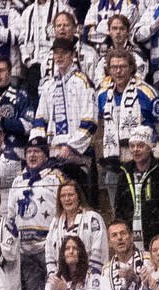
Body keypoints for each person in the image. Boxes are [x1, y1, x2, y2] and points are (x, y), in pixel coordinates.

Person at [93, 49, 159, 215]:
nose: (118, 71)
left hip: (139, 155)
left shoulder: (145, 91)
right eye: (114, 67)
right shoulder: (102, 94)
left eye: (123, 66)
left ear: (131, 68)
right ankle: (118, 216)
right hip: (113, 155)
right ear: (108, 69)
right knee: (111, 181)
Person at [30, 35, 94, 196]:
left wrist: (70, 146)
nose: (59, 56)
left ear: (73, 55)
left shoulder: (83, 82)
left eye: (64, 53)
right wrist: (39, 149)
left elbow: (90, 121)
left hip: (79, 155)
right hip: (54, 155)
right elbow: (39, 120)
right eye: (56, 53)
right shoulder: (48, 86)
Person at [7, 135, 58, 290]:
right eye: (29, 152)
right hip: (25, 249)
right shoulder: (18, 181)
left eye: (37, 151)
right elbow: (11, 215)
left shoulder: (55, 178)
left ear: (45, 155)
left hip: (48, 248)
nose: (32, 155)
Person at [114, 123, 159, 248]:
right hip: (130, 240)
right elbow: (119, 207)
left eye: (140, 146)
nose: (135, 150)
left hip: (157, 240)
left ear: (149, 147)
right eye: (132, 146)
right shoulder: (124, 173)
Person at [36, 229, 107, 290]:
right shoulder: (55, 278)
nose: (71, 251)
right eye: (67, 248)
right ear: (63, 254)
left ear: (81, 253)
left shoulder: (92, 277)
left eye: (75, 248)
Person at [42, 169, 103, 271]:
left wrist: (87, 277)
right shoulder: (55, 222)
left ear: (79, 197)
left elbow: (99, 250)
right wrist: (54, 276)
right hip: (61, 278)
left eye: (71, 195)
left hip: (88, 278)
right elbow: (49, 253)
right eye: (63, 196)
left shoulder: (92, 218)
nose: (67, 199)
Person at [99, 217, 146, 290]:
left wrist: (137, 280)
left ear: (131, 237)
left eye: (123, 233)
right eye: (114, 235)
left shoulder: (148, 260)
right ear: (110, 243)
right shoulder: (106, 270)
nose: (119, 238)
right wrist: (125, 288)